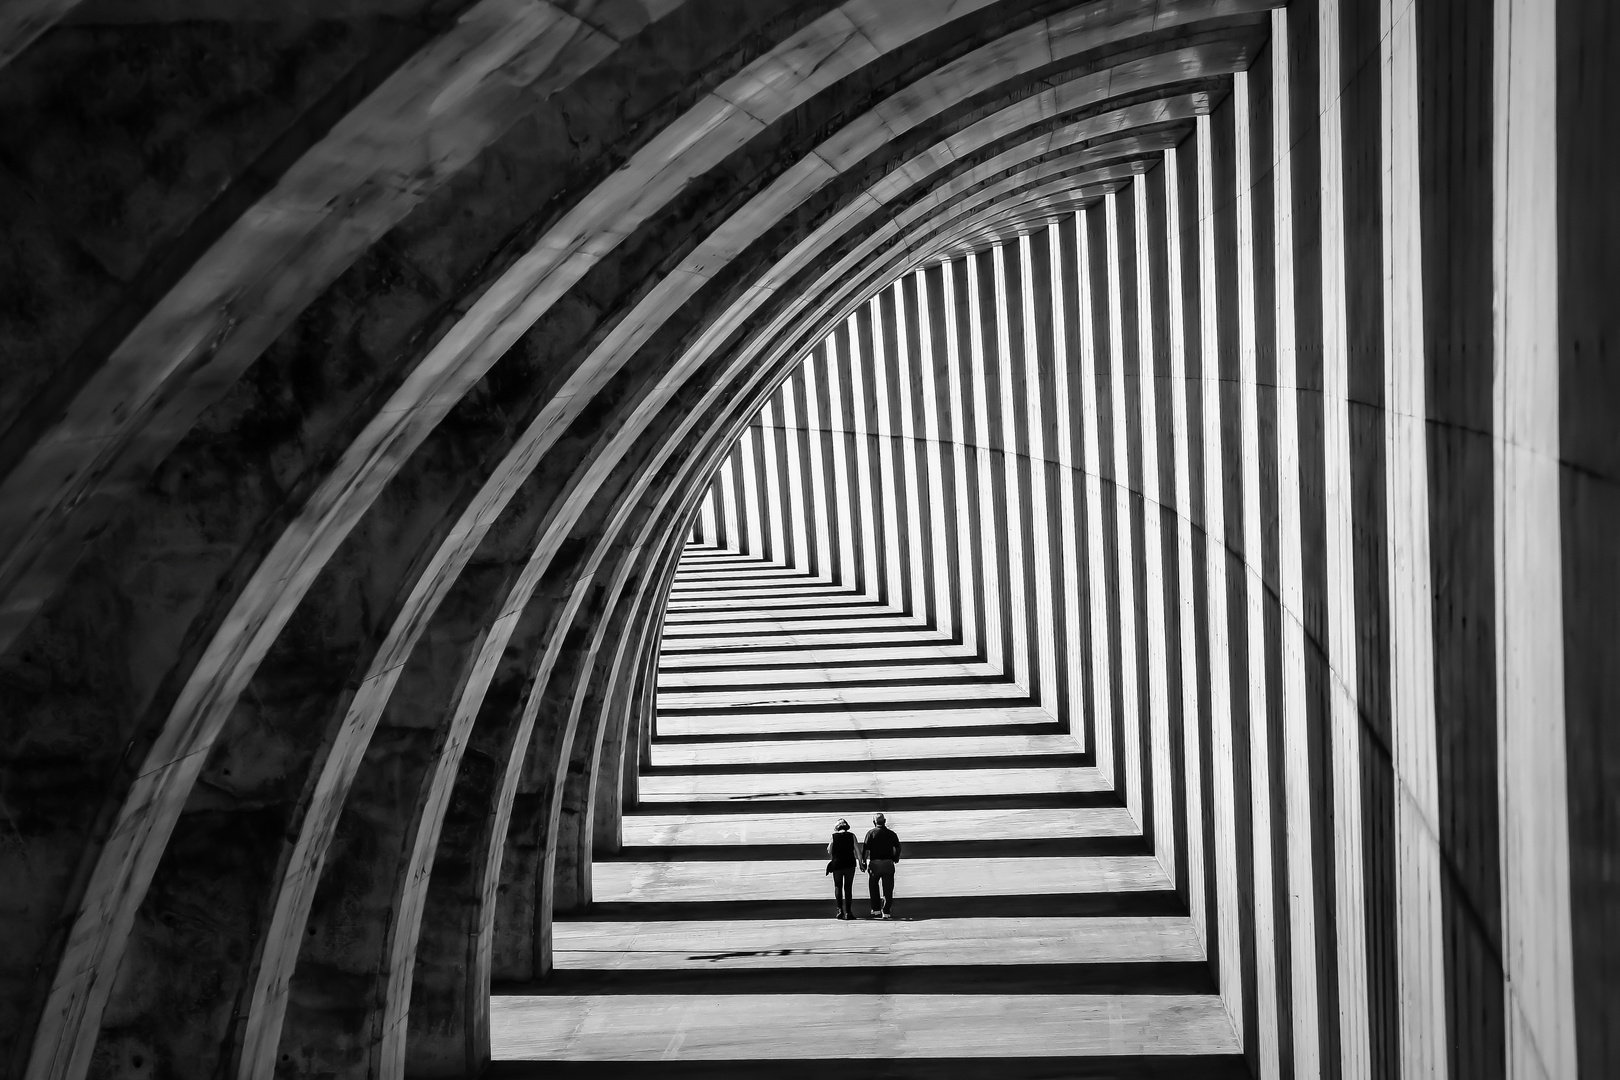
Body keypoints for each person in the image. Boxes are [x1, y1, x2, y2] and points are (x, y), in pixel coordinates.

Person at [861, 812, 901, 918]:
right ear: (885, 821)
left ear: (874, 822)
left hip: (875, 864)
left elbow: (866, 850)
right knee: (888, 888)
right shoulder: (892, 834)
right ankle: (886, 911)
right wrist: (895, 858)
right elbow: (898, 847)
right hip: (888, 864)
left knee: (873, 886)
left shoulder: (870, 833)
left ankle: (876, 909)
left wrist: (863, 862)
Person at [825, 819, 859, 919]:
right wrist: (861, 863)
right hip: (849, 864)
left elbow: (829, 850)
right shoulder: (852, 836)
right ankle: (848, 912)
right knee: (848, 888)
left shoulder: (833, 837)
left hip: (837, 864)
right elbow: (858, 851)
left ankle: (839, 910)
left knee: (838, 887)